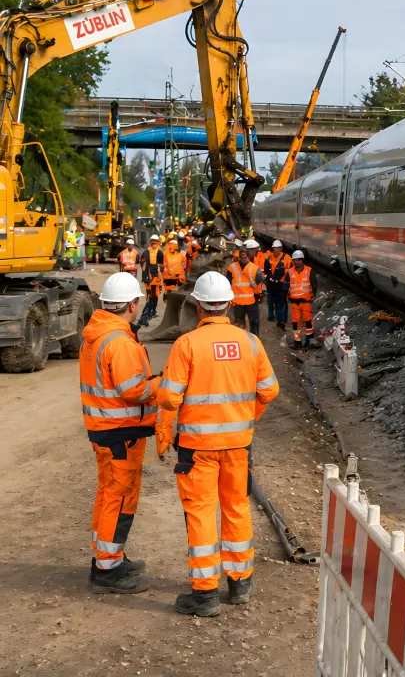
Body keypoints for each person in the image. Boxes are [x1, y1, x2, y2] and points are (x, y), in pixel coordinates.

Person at [156, 272, 279, 616]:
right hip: (239, 446)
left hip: (198, 448)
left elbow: (168, 399)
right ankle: (239, 583)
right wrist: (247, 418)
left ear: (198, 307)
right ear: (228, 304)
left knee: (200, 514)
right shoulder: (251, 342)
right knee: (236, 508)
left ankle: (206, 593)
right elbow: (269, 390)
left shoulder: (187, 345)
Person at [80, 273, 159, 594]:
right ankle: (107, 569)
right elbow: (133, 390)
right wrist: (161, 383)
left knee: (108, 493)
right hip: (121, 432)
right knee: (119, 496)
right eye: (138, 302)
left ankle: (107, 555)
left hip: (106, 431)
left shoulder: (96, 336)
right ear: (131, 305)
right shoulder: (119, 342)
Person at [226, 247, 263, 335]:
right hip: (237, 302)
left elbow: (258, 284)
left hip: (251, 301)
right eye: (241, 257)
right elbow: (227, 283)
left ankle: (255, 340)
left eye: (245, 257)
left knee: (254, 323)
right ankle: (241, 341)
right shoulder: (232, 267)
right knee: (239, 325)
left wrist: (259, 295)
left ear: (249, 257)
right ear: (238, 257)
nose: (243, 259)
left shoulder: (254, 268)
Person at [287, 250, 315, 348]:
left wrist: (312, 296)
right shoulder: (290, 272)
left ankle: (309, 340)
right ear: (293, 261)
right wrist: (286, 296)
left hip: (306, 301)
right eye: (295, 260)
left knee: (308, 321)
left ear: (302, 260)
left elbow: (314, 284)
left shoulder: (309, 270)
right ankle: (297, 342)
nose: (297, 262)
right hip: (295, 302)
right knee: (295, 322)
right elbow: (286, 286)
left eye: (299, 260)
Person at [137, 235, 165, 326]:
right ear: (150, 242)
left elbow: (161, 266)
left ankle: (152, 312)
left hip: (157, 278)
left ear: (158, 242)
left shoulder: (160, 252)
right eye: (153, 241)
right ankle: (144, 317)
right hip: (149, 278)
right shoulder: (146, 252)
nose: (154, 243)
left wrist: (161, 276)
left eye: (156, 241)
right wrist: (146, 277)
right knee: (150, 297)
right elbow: (143, 265)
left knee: (156, 296)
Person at [263, 241, 291, 329]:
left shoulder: (286, 258)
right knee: (271, 301)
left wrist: (281, 275)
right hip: (271, 283)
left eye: (277, 248)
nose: (275, 250)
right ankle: (271, 317)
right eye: (274, 248)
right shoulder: (268, 257)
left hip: (281, 284)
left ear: (281, 248)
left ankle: (282, 320)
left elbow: (290, 270)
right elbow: (266, 270)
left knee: (281, 303)